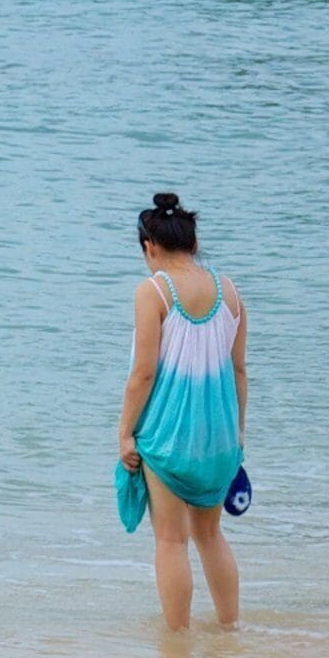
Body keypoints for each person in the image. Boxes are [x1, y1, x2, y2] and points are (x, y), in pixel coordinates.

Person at [115, 192, 246, 630]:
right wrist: (238, 437)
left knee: (171, 542)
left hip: (170, 439)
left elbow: (143, 375)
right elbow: (239, 370)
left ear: (149, 246)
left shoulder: (152, 292)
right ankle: (230, 630)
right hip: (221, 440)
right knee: (211, 536)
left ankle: (177, 642)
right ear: (193, 242)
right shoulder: (229, 291)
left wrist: (125, 434)